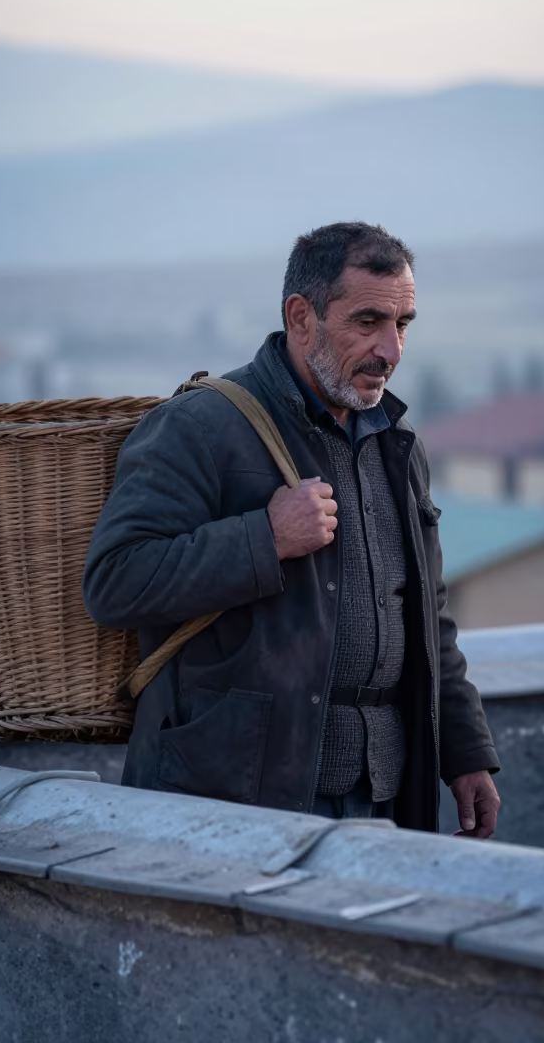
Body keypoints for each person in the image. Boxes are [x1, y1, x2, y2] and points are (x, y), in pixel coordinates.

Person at [84, 222, 500, 834]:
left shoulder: (397, 443)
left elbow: (427, 616)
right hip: (231, 799)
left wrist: (465, 754)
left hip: (382, 799)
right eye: (368, 322)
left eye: (403, 323)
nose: (392, 350)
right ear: (301, 317)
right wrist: (266, 539)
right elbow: (115, 582)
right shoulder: (199, 426)